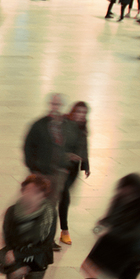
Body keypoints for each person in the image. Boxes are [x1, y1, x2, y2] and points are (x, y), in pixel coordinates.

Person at [22, 94, 72, 199]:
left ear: (63, 106)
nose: (55, 107)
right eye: (53, 104)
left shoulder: (67, 126)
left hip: (58, 174)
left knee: (52, 201)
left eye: (58, 104)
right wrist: (33, 167)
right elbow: (28, 146)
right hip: (41, 172)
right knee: (36, 199)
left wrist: (66, 166)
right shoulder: (39, 125)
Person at [56, 101, 90, 246]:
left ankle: (63, 231)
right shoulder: (63, 125)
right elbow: (55, 146)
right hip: (60, 167)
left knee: (64, 196)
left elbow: (84, 145)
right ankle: (64, 231)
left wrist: (86, 164)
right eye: (78, 112)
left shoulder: (83, 126)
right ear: (73, 111)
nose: (81, 115)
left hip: (73, 169)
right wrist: (68, 156)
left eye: (84, 113)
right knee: (63, 197)